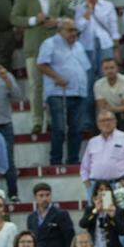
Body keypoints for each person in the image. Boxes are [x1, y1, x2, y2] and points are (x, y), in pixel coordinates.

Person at [11, 0, 67, 134]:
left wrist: (57, 22)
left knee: (54, 85)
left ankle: (52, 120)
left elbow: (69, 14)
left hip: (56, 46)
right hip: (33, 46)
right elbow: (14, 18)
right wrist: (35, 20)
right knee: (36, 86)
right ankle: (36, 121)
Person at [36, 18, 90, 166]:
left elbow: (85, 67)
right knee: (59, 128)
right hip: (59, 93)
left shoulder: (79, 46)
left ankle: (73, 160)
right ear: (59, 31)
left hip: (79, 93)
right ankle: (56, 161)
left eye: (75, 30)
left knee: (77, 129)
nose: (74, 33)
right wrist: (57, 77)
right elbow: (41, 64)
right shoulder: (50, 43)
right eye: (70, 30)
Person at [27, 183, 74, 247]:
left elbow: (70, 239)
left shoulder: (62, 214)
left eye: (47, 195)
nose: (45, 198)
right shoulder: (31, 217)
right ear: (35, 197)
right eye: (41, 195)